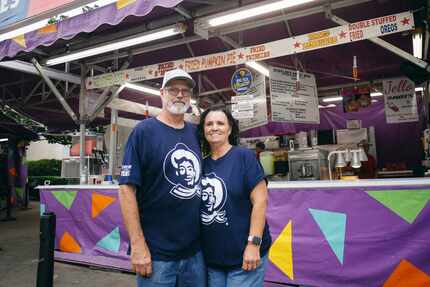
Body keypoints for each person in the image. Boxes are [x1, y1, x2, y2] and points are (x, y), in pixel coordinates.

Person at [118, 69, 206, 287]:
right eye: (173, 90)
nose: (179, 95)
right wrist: (137, 245)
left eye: (185, 91)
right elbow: (126, 189)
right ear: (162, 93)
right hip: (156, 254)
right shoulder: (144, 132)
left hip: (195, 253)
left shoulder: (197, 133)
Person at [198, 108, 272, 287]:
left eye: (220, 123)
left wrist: (253, 244)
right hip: (213, 260)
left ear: (229, 129)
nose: (214, 128)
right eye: (209, 124)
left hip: (244, 256)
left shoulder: (243, 157)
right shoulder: (201, 164)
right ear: (203, 130)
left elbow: (260, 201)